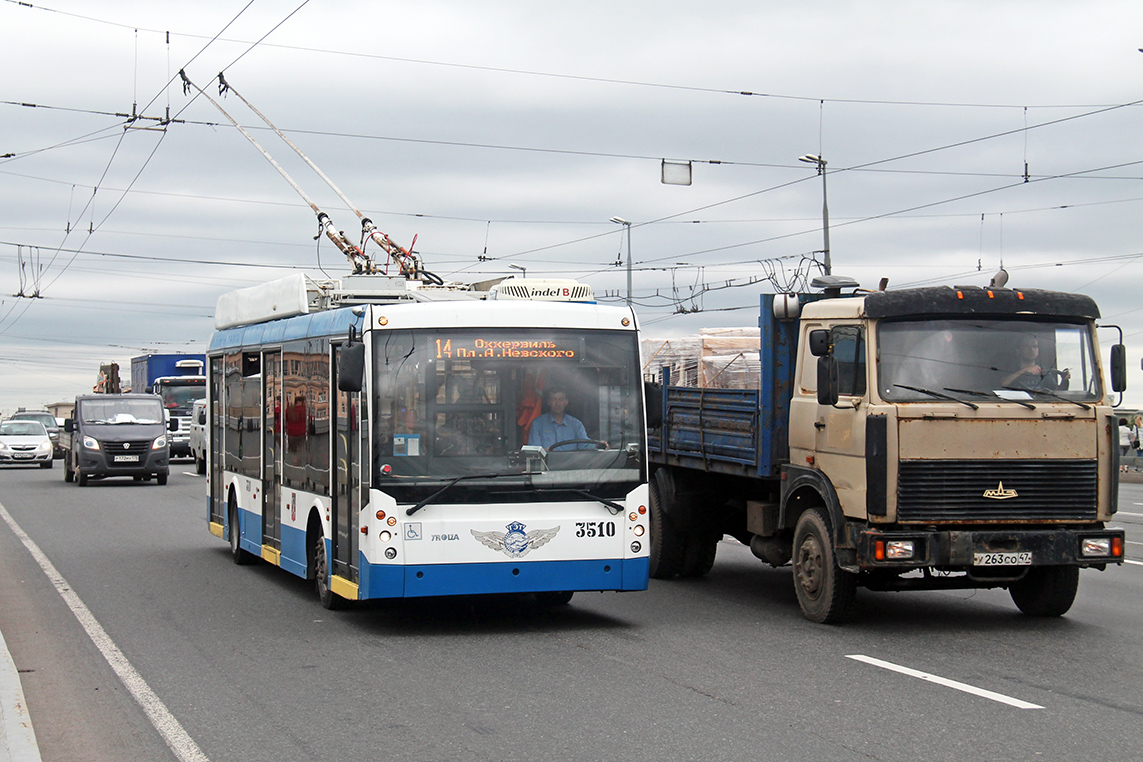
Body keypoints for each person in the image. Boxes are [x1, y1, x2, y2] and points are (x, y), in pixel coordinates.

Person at [528, 389, 593, 450]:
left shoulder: (576, 425)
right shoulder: (537, 424)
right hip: (547, 462)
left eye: (561, 399)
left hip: (571, 462)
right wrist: (544, 452)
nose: (557, 403)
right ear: (549, 402)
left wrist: (600, 445)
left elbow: (585, 445)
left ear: (566, 402)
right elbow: (534, 452)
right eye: (554, 399)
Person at [1000, 334, 1070, 390]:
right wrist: (1024, 370)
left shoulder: (1044, 372)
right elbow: (1003, 384)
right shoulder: (1010, 369)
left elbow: (1056, 393)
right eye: (1027, 347)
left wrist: (1064, 380)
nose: (1032, 350)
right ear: (1018, 350)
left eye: (1035, 347)